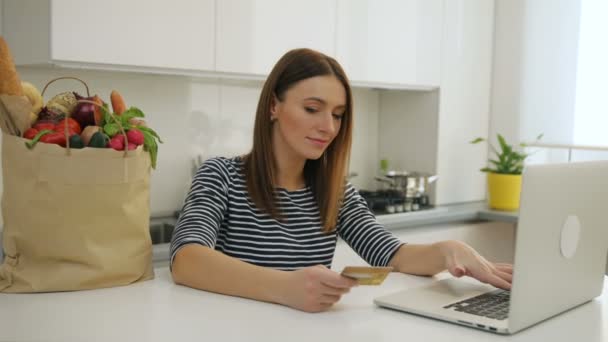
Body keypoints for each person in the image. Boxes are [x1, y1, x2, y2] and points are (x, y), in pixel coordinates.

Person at [170, 48, 513, 313]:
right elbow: (186, 259)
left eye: (337, 115)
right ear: (274, 106)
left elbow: (392, 255)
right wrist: (284, 287)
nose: (329, 127)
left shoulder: (337, 192)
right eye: (312, 109)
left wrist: (449, 250)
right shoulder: (221, 176)